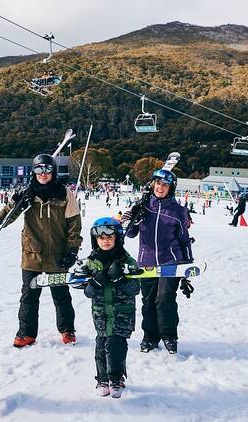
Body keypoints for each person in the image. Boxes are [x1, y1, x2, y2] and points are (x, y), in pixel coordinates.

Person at [0, 154, 83, 348]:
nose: (43, 174)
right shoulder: (26, 194)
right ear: (33, 172)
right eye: (39, 170)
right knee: (29, 295)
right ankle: (26, 333)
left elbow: (74, 225)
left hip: (57, 253)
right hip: (32, 253)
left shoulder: (64, 194)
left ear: (53, 172)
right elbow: (9, 212)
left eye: (47, 170)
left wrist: (72, 249)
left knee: (61, 294)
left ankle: (67, 330)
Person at [124, 169, 193, 354]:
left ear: (171, 188)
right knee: (148, 302)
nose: (160, 188)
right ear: (153, 184)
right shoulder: (142, 206)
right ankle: (150, 337)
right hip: (146, 262)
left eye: (165, 185)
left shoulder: (178, 211)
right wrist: (129, 219)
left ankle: (169, 337)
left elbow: (184, 239)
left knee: (165, 300)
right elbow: (129, 234)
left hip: (170, 262)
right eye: (158, 183)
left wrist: (186, 266)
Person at [78, 217, 141, 398]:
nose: (105, 241)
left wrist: (119, 279)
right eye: (100, 238)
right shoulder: (91, 263)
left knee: (115, 343)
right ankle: (102, 379)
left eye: (109, 237)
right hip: (101, 311)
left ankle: (116, 378)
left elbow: (135, 289)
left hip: (123, 311)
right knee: (101, 343)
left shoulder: (127, 260)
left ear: (117, 238)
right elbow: (88, 292)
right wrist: (96, 282)